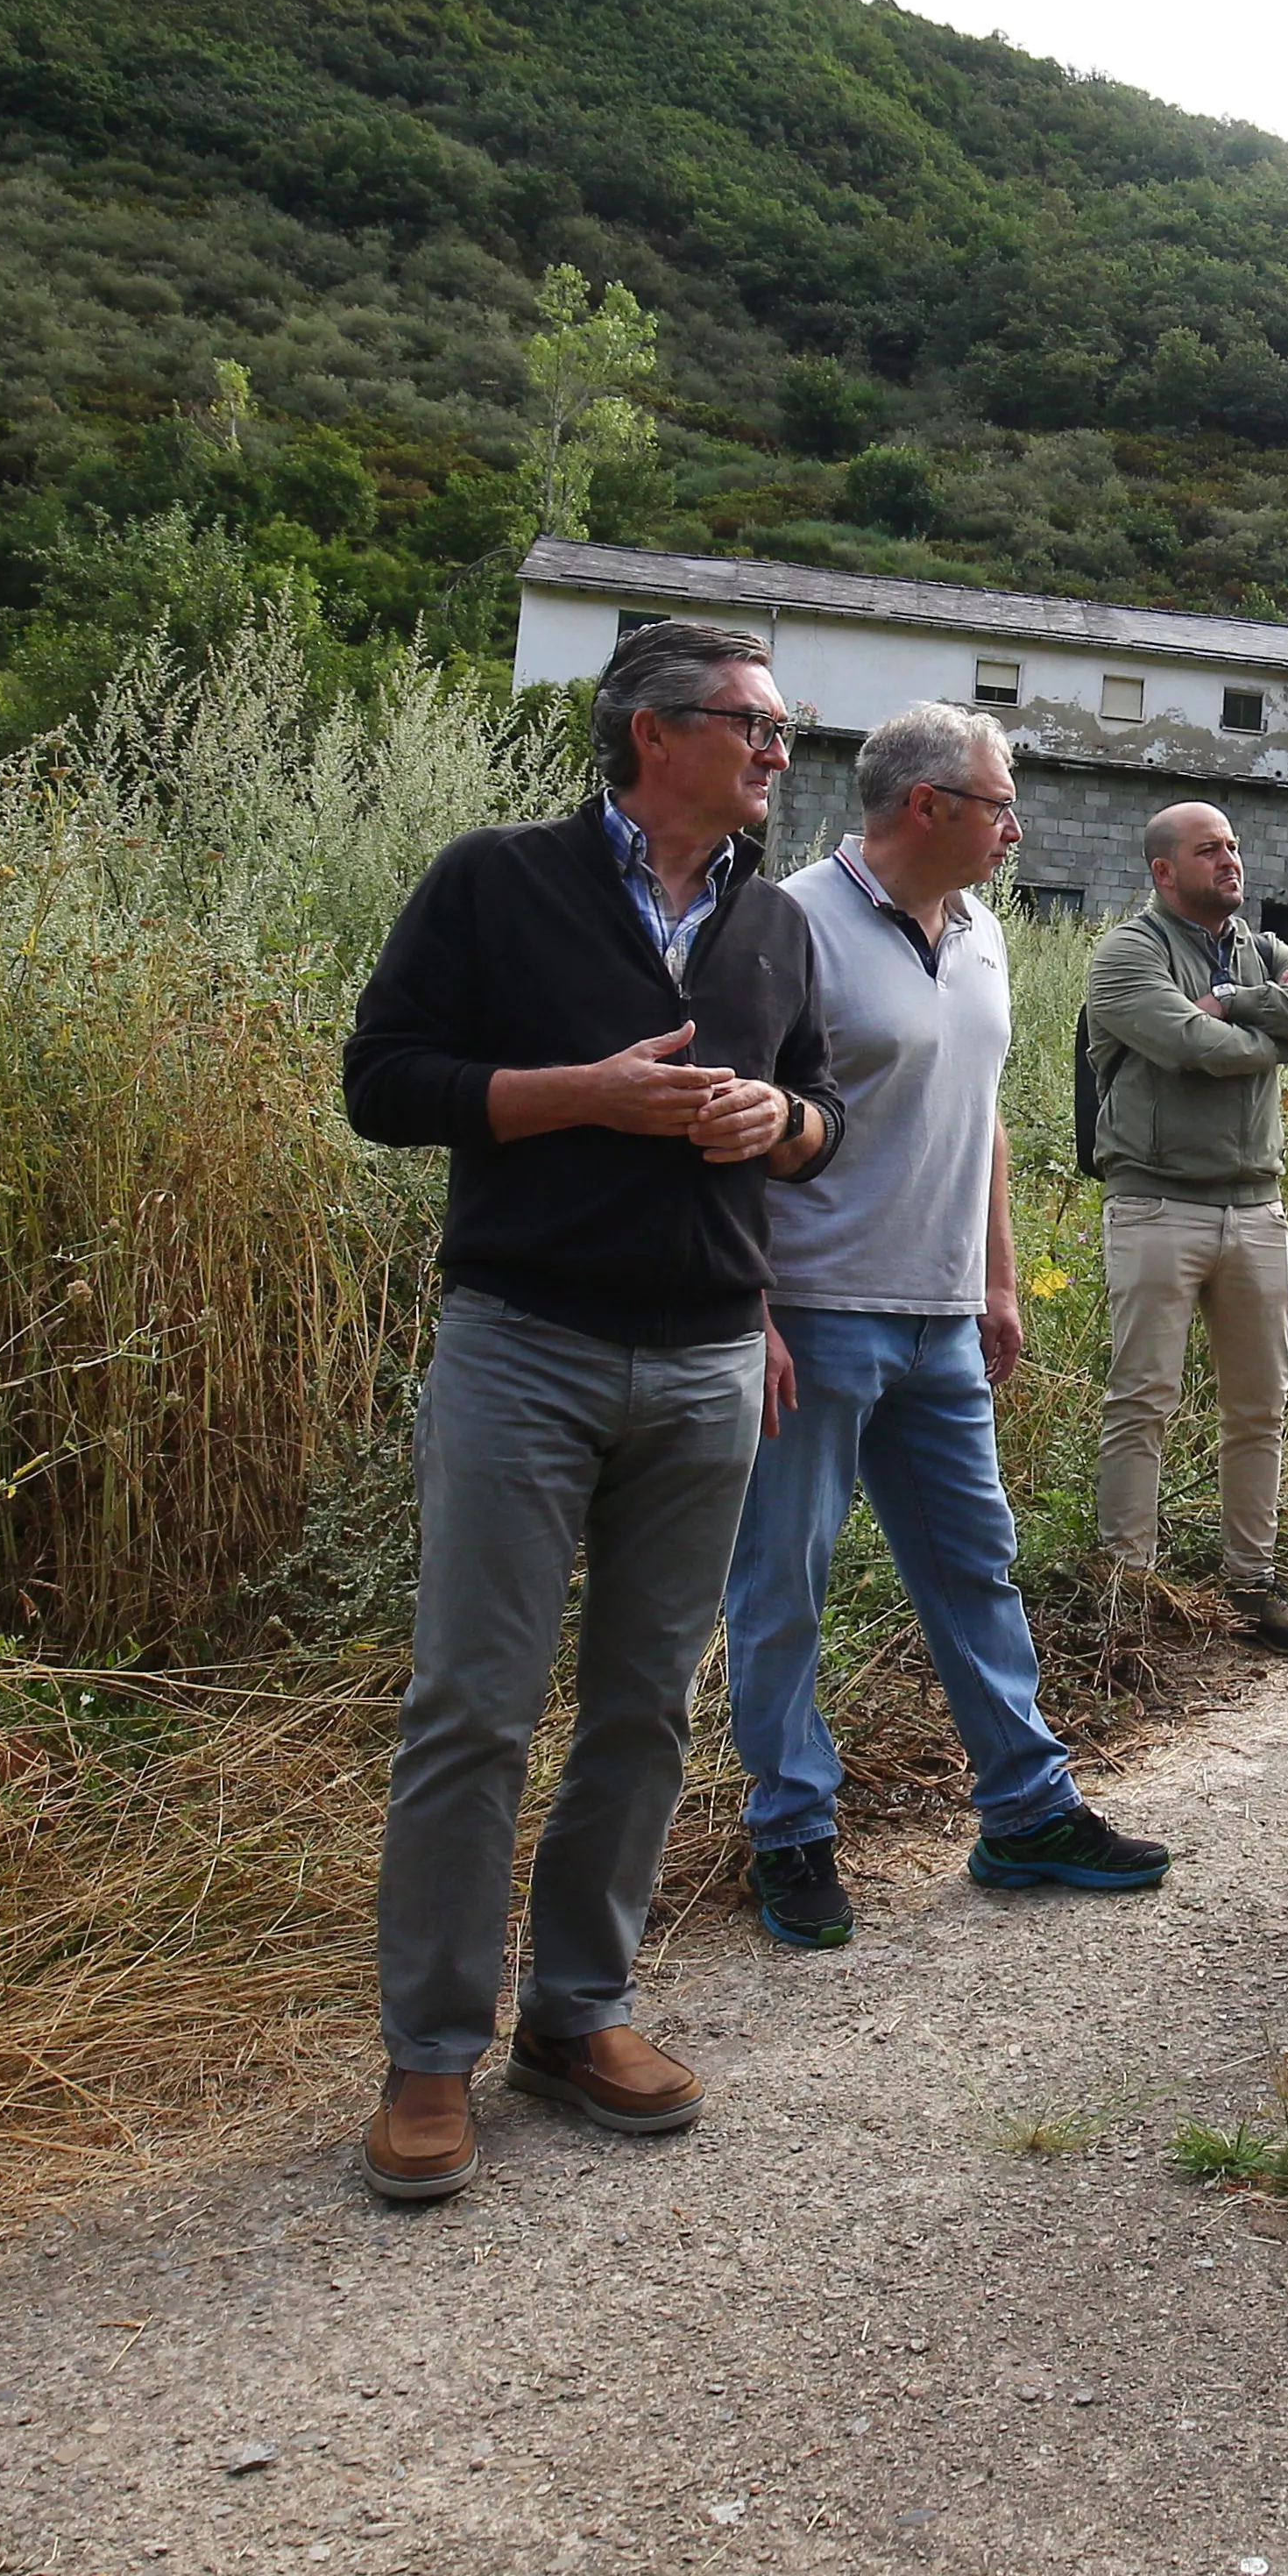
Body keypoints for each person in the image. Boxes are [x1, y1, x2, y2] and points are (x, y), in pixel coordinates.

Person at [338, 619, 846, 2205]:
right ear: (650, 731)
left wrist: (786, 1122)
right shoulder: (494, 878)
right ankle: (431, 2055)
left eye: (780, 727)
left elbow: (822, 1115)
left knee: (643, 1707)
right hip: (526, 1345)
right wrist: (582, 1090)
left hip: (703, 1361)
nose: (776, 749)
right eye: (751, 724)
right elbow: (382, 1084)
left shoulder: (775, 926)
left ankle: (579, 2014)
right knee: (473, 1708)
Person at [723, 703, 1175, 1958]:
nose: (1014, 824)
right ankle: (791, 1829)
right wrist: (746, 1310)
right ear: (925, 805)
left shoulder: (980, 935)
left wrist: (1001, 1280)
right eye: (998, 801)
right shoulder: (788, 922)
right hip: (813, 1310)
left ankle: (1026, 1810)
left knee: (975, 1563)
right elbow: (738, 1131)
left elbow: (980, 1123)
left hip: (937, 1316)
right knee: (782, 1582)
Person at [1079, 798, 1288, 1660]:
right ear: (1164, 871)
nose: (1230, 861)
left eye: (1233, 846)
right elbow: (1194, 1045)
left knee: (1258, 1407)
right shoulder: (1128, 951)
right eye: (1209, 850)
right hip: (1156, 1203)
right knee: (1141, 1403)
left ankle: (1249, 1586)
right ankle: (1125, 1600)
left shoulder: (1257, 949)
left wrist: (1239, 999)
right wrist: (1272, 1031)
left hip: (1255, 1207)